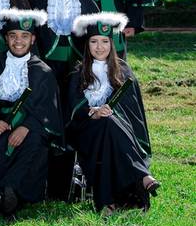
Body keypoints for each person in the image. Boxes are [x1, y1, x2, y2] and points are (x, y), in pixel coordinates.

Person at [0, 8, 61, 217]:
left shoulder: (43, 71)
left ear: (33, 39)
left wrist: (27, 127)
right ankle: (7, 195)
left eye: (25, 36)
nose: (19, 41)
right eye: (13, 35)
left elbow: (48, 110)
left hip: (30, 125)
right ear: (5, 38)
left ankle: (6, 193)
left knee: (33, 143)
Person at [66, 12, 158, 214]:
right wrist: (93, 111)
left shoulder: (122, 70)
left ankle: (106, 202)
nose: (100, 47)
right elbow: (73, 108)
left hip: (114, 130)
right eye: (94, 41)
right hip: (85, 130)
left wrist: (110, 111)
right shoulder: (78, 73)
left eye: (105, 41)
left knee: (108, 125)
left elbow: (132, 109)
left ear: (112, 43)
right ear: (87, 45)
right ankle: (142, 175)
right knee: (106, 125)